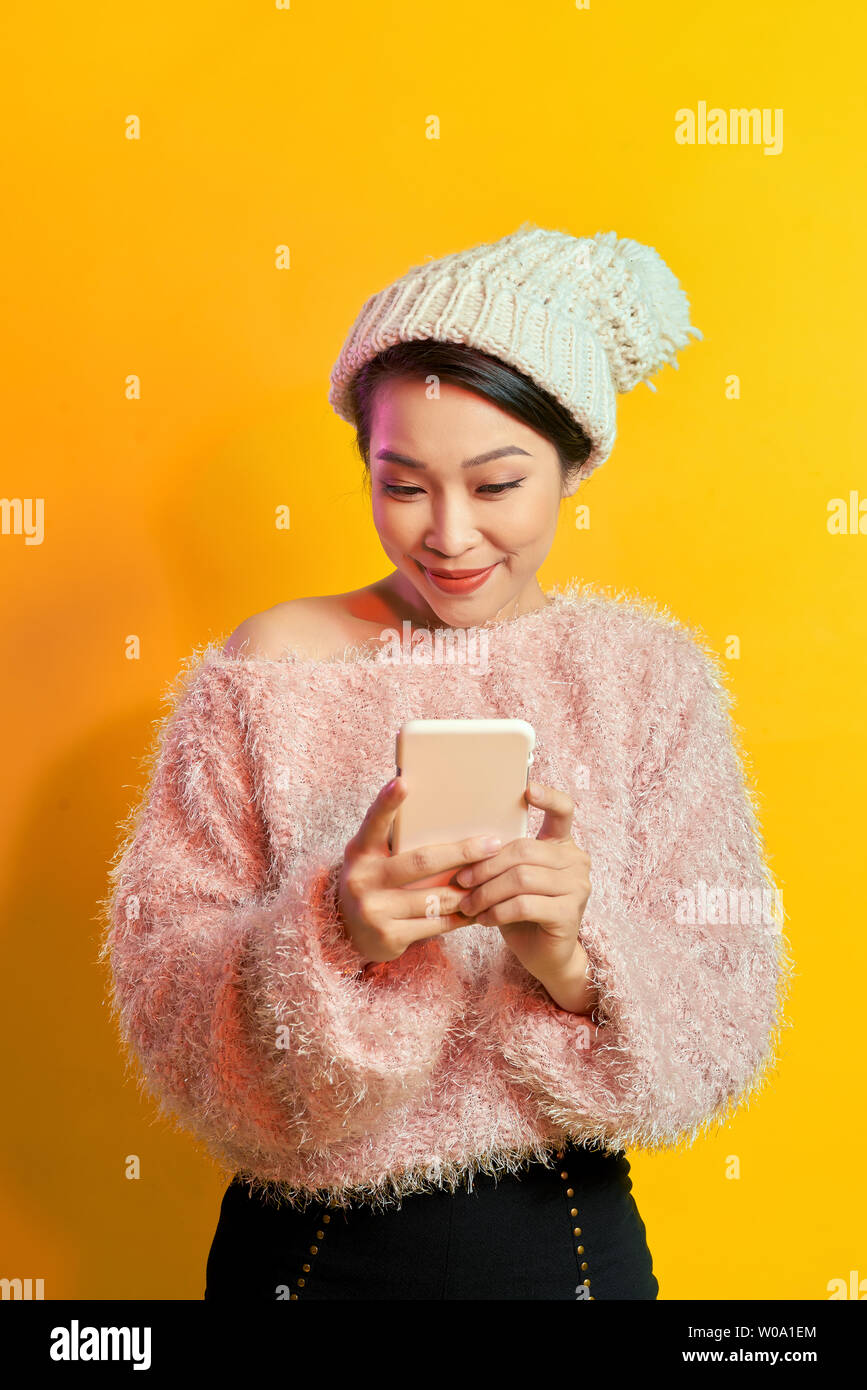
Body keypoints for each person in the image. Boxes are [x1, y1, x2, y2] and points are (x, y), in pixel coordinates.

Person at [100, 223, 793, 1301]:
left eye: (497, 484)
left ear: (572, 464)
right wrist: (335, 936)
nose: (451, 535)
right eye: (405, 484)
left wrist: (574, 949)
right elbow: (163, 1001)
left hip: (565, 1240)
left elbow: (729, 1017)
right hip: (310, 1251)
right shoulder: (266, 670)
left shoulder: (646, 678)